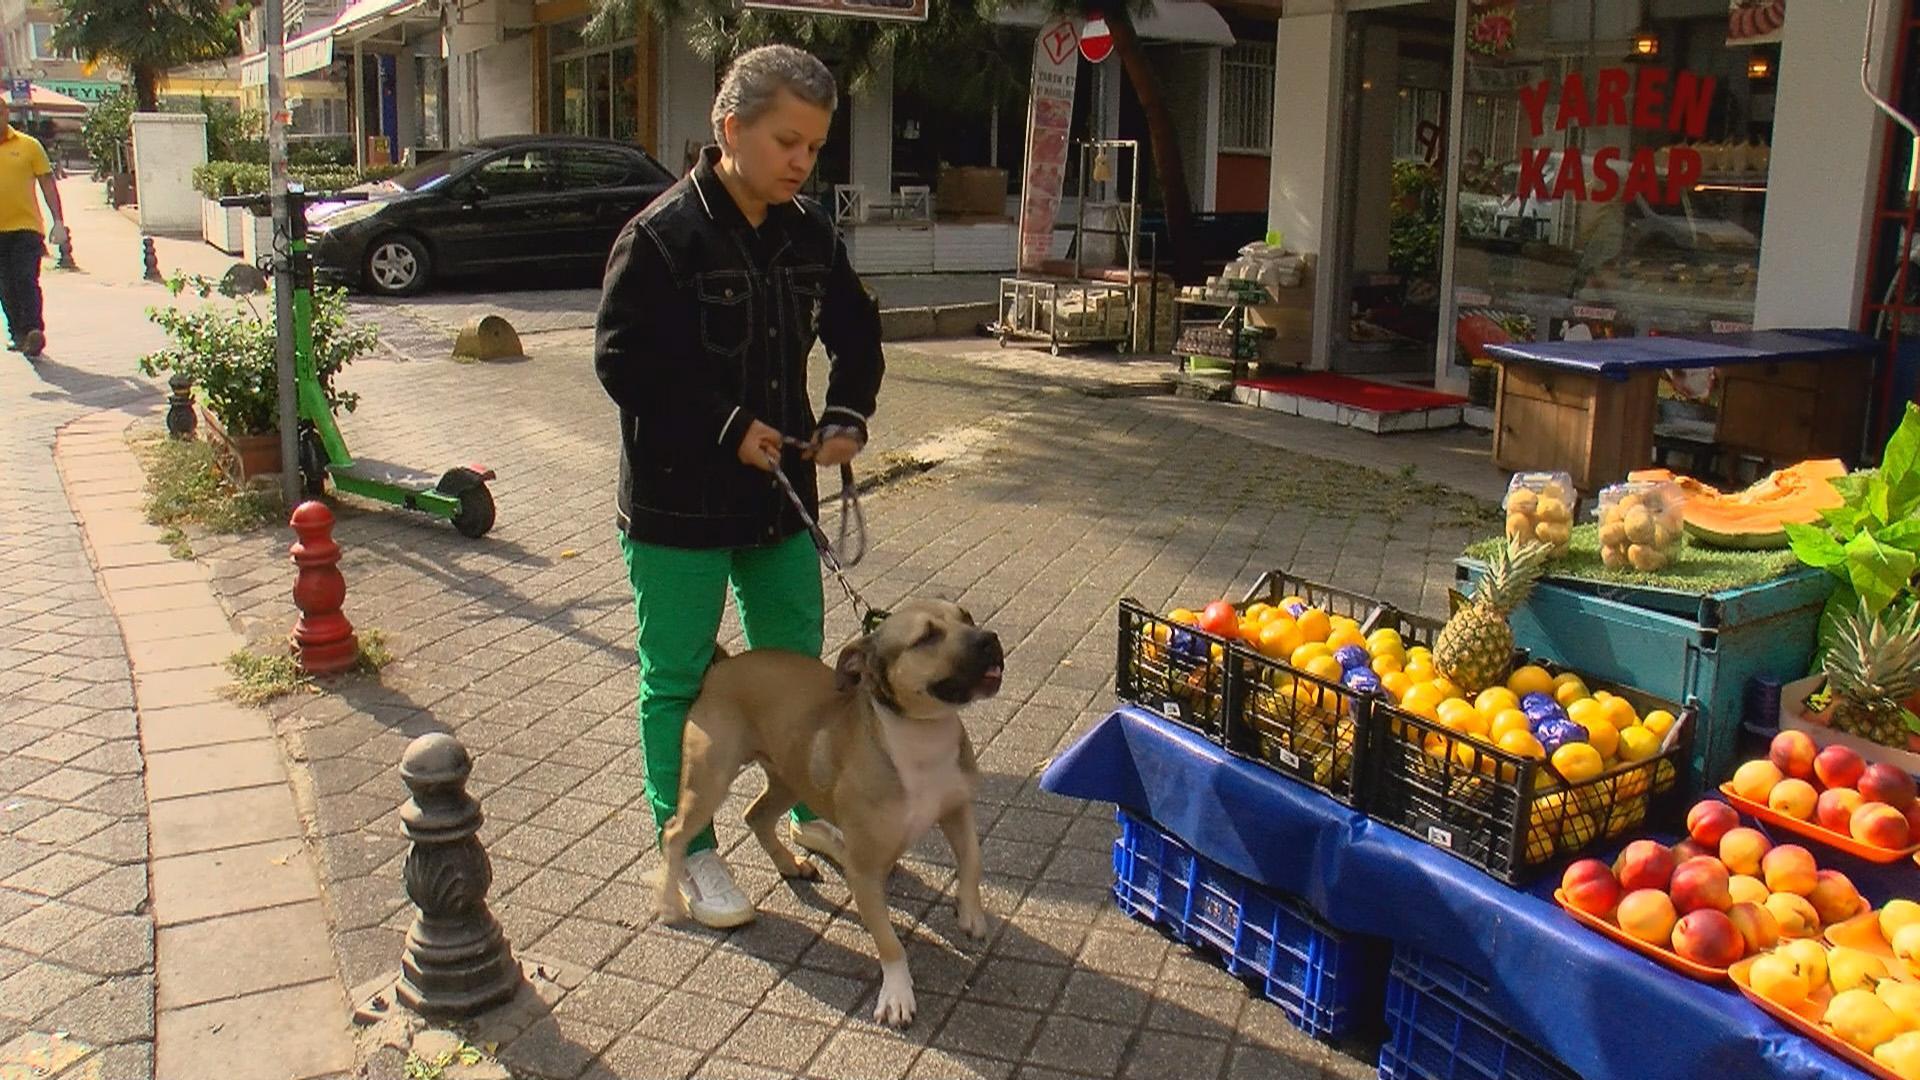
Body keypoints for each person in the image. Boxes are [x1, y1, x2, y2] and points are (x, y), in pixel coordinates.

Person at [594, 44, 885, 929]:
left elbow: (857, 334)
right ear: (731, 130)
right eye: (786, 141)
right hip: (677, 503)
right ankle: (691, 850)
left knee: (800, 672)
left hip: (777, 501)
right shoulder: (660, 237)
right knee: (679, 681)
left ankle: (808, 813)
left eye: (813, 147)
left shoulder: (809, 233)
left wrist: (845, 414)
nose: (801, 162)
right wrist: (725, 427)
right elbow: (622, 362)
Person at [0, 97, 63, 360]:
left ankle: (34, 330)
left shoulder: (28, 146)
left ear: (6, 113)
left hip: (27, 227)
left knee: (25, 278)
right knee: (5, 285)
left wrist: (58, 220)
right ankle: (18, 333)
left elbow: (48, 184)